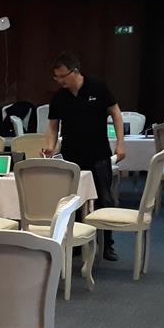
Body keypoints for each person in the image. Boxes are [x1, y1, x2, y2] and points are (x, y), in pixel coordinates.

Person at [45, 51, 125, 261]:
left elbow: (116, 114)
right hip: (71, 156)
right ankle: (77, 242)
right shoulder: (59, 97)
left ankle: (107, 244)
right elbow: (53, 126)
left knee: (104, 199)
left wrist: (120, 143)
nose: (60, 81)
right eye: (56, 77)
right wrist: (50, 147)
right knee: (73, 201)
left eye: (63, 76)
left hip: (98, 154)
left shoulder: (98, 87)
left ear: (75, 71)